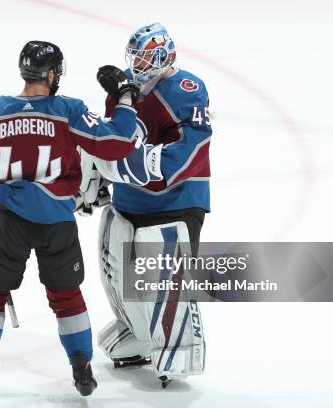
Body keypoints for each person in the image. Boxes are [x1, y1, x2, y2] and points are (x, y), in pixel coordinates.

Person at [0, 40, 141, 399]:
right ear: (52, 74)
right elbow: (118, 143)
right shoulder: (68, 110)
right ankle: (82, 371)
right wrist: (125, 98)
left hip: (7, 223)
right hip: (56, 222)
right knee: (67, 296)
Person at [81, 22, 212, 387]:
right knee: (115, 254)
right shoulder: (127, 86)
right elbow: (114, 136)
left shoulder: (188, 89)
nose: (137, 64)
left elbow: (184, 155)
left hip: (175, 203)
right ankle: (137, 332)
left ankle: (180, 346)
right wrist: (91, 180)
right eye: (134, 56)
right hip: (129, 202)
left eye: (144, 56)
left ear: (162, 55)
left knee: (160, 265)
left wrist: (124, 165)